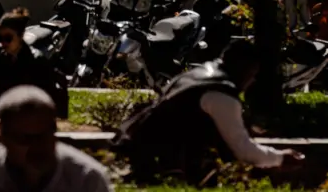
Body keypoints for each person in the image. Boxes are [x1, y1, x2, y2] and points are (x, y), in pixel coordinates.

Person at [117, 40, 304, 183]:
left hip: (140, 143)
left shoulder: (198, 74)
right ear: (244, 69)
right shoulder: (222, 93)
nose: (252, 81)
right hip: (163, 163)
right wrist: (280, 158)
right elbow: (242, 149)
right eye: (252, 74)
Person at [0, 86, 112, 192]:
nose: (36, 146)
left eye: (42, 136)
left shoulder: (87, 179)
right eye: (25, 139)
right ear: (3, 137)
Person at [0, 9, 67, 118]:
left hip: (30, 115)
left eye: (8, 38)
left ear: (20, 36)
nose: (3, 43)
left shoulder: (36, 60)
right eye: (0, 38)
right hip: (5, 112)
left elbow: (43, 100)